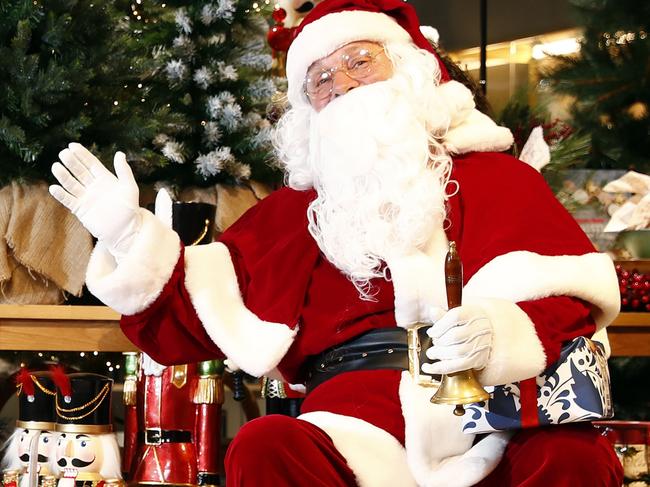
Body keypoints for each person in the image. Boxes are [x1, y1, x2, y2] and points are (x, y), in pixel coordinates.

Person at [49, 0, 624, 485]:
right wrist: (129, 236)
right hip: (350, 421)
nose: (342, 84)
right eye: (320, 79)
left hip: (494, 411)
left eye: (359, 62)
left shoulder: (499, 178)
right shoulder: (291, 216)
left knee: (571, 456)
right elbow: (182, 325)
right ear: (308, 110)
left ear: (407, 70)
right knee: (265, 442)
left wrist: (498, 333)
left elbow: (570, 299)